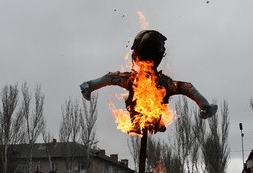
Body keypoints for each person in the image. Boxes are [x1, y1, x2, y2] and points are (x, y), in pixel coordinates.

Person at [80, 30, 217, 134]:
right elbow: (188, 88)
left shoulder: (133, 79)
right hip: (149, 119)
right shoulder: (163, 82)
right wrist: (204, 106)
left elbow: (108, 78)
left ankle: (142, 122)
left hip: (147, 119)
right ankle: (143, 122)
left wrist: (89, 86)